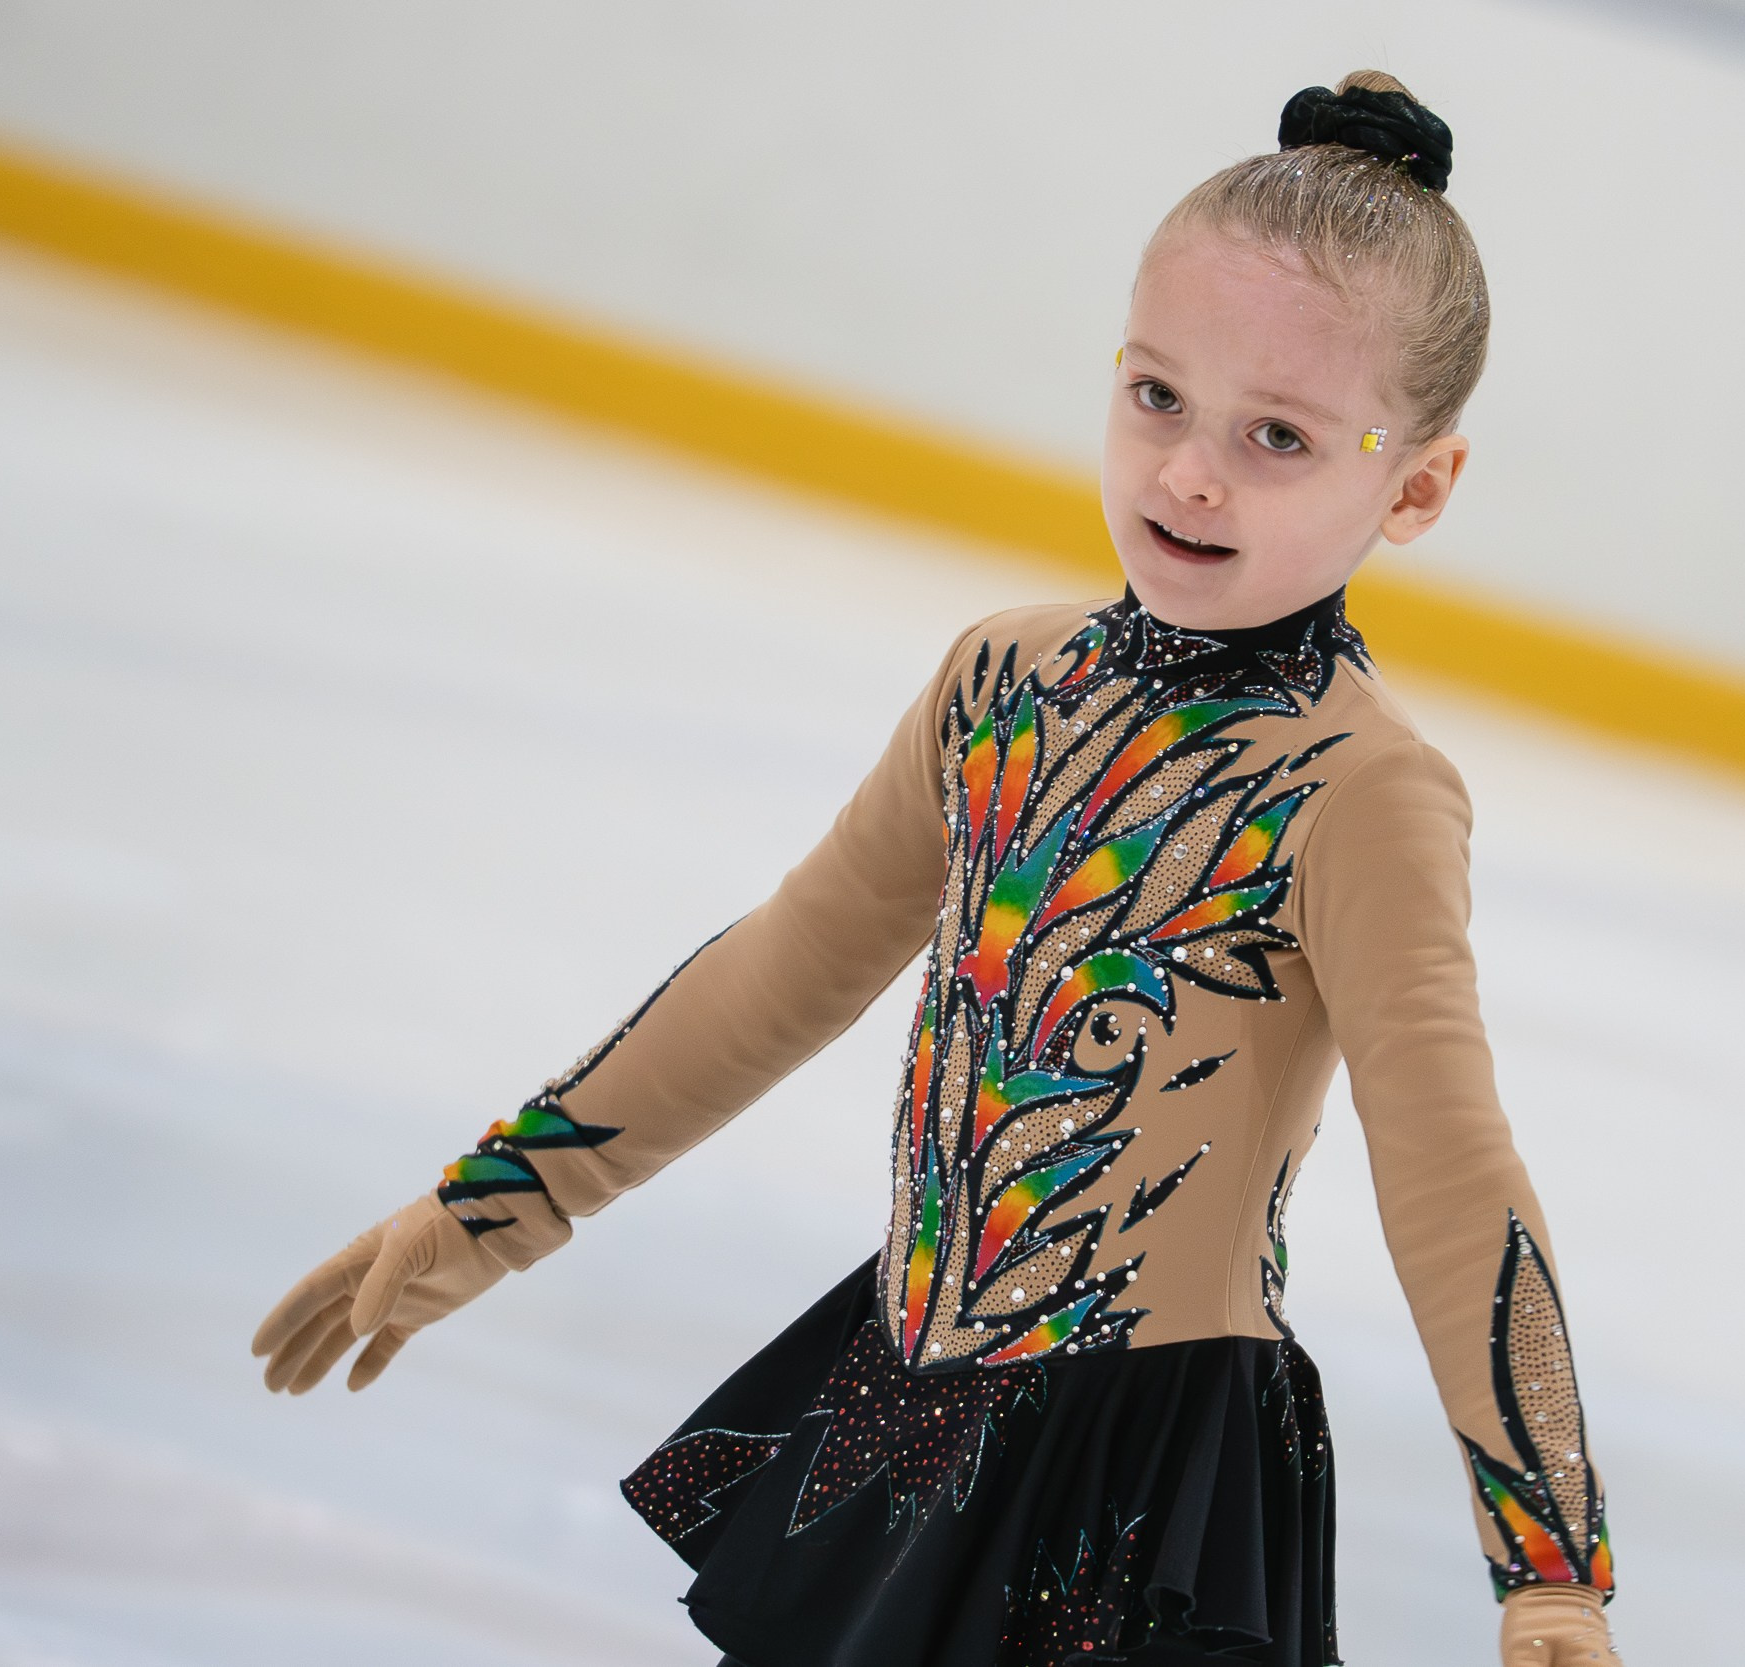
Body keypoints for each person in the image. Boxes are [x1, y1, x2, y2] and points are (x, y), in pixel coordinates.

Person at [252, 71, 1620, 1667]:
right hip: (905, 1405)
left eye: (1279, 437)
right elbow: (781, 973)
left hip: (1136, 1478)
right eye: (1158, 396)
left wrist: (1550, 1564)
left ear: (1417, 487)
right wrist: (493, 1205)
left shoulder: (1363, 789)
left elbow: (1449, 1170)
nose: (1189, 473)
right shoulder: (1000, 681)